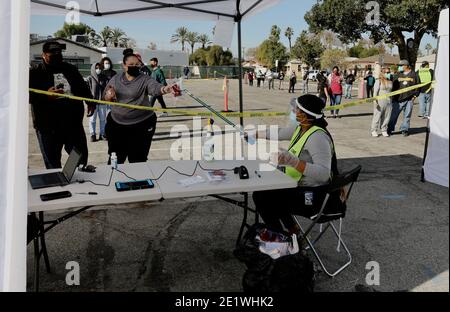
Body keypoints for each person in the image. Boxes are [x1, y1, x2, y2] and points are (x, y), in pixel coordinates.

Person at [251, 95, 339, 234]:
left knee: (263, 197)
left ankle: (280, 237)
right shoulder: (302, 128)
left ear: (305, 115)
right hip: (300, 186)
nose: (293, 111)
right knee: (269, 191)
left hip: (313, 195)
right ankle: (293, 231)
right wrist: (255, 134)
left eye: (297, 109)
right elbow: (280, 132)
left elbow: (323, 174)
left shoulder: (317, 137)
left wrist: (293, 162)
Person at [29, 41, 95, 169]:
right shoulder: (35, 73)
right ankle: (58, 184)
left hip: (72, 124)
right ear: (43, 55)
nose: (56, 54)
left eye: (59, 52)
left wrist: (90, 102)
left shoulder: (70, 69)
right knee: (52, 162)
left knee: (79, 157)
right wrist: (46, 95)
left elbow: (82, 88)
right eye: (52, 52)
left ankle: (71, 176)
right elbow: (25, 95)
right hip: (48, 127)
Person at [103, 52, 179, 164]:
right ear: (124, 66)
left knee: (137, 159)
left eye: (137, 64)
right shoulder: (115, 79)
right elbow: (105, 97)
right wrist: (108, 96)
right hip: (117, 124)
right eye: (131, 64)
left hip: (141, 124)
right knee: (115, 158)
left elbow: (155, 87)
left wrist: (166, 89)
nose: (135, 66)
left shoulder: (145, 79)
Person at [388, 60, 420, 137]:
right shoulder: (398, 74)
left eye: (401, 65)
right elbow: (393, 84)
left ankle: (404, 129)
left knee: (407, 116)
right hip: (397, 99)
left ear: (406, 66)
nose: (399, 67)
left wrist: (415, 96)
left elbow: (418, 86)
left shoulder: (414, 75)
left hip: (409, 99)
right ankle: (389, 129)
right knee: (393, 115)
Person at [87, 63, 108, 142]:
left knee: (102, 119)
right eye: (96, 68)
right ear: (93, 68)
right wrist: (89, 102)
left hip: (102, 102)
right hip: (93, 103)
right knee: (92, 119)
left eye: (99, 68)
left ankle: (102, 134)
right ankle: (92, 134)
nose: (98, 69)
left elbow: (107, 88)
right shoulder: (89, 78)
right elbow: (87, 90)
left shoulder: (104, 78)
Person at [370, 67, 393, 138]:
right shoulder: (378, 81)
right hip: (380, 101)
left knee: (387, 117)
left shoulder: (390, 81)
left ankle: (384, 130)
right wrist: (375, 101)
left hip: (388, 101)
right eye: (386, 72)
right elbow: (375, 92)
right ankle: (374, 130)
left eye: (388, 72)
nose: (387, 74)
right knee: (377, 116)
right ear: (382, 73)